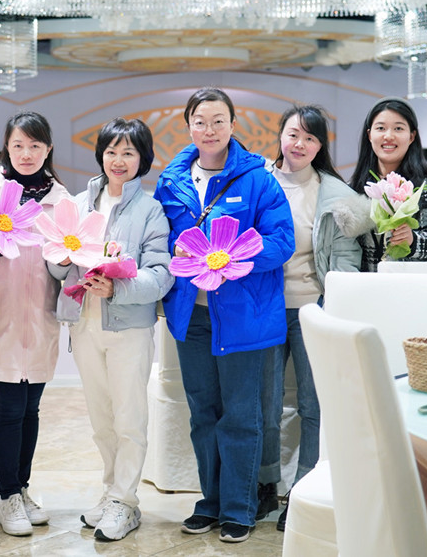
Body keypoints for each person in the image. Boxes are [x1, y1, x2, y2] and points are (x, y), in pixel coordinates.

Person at [153, 87, 294, 543]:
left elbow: (282, 242)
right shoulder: (171, 181)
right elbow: (159, 239)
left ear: (233, 125)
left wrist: (234, 256)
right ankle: (210, 501)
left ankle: (239, 507)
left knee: (241, 416)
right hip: (191, 315)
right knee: (202, 414)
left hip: (244, 315)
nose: (209, 130)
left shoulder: (258, 180)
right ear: (188, 126)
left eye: (218, 121)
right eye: (200, 121)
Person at [49, 118, 173, 541]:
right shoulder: (79, 203)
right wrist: (61, 261)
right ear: (101, 154)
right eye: (111, 151)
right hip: (84, 322)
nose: (118, 160)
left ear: (143, 159)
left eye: (129, 153)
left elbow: (161, 275)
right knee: (101, 419)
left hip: (128, 327)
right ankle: (111, 492)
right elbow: (55, 262)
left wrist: (117, 288)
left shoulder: (150, 210)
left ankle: (126, 501)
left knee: (129, 418)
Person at [260, 105, 366, 531]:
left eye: (310, 137)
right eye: (293, 134)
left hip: (314, 309)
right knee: (264, 403)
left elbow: (346, 258)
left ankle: (303, 490)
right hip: (263, 307)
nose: (299, 144)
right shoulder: (258, 181)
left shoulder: (337, 196)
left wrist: (336, 305)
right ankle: (265, 483)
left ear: (321, 145)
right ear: (280, 136)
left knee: (312, 403)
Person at [0, 111, 72, 537]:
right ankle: (8, 495)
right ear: (7, 148)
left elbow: (65, 259)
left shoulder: (61, 200)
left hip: (41, 315)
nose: (26, 154)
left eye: (35, 146)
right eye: (18, 145)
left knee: (31, 408)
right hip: (1, 314)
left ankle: (23, 488)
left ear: (48, 149)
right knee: (9, 408)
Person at [348, 97, 427, 270]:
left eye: (398, 128)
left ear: (412, 136)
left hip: (416, 285)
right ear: (369, 135)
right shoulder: (354, 190)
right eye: (380, 128)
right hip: (368, 285)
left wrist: (415, 241)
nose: (388, 136)